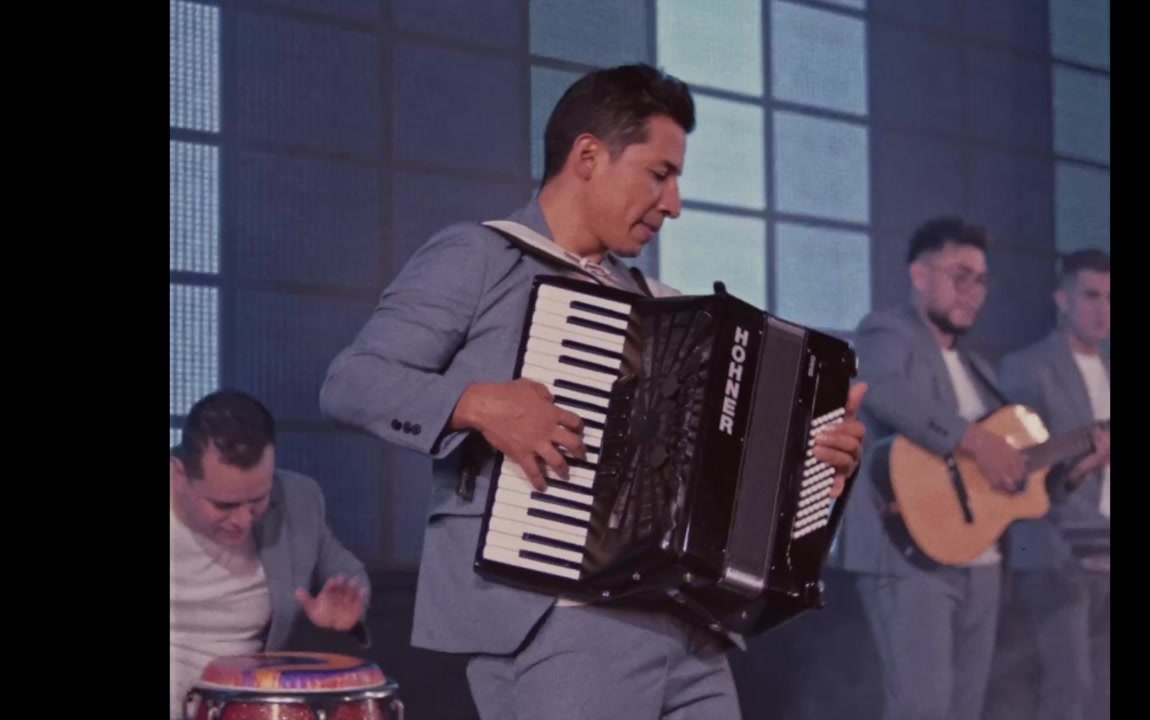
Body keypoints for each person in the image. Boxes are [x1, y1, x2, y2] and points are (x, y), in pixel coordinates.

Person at [318, 62, 868, 720]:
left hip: (688, 628)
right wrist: (479, 405)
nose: (674, 204)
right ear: (588, 156)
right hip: (556, 618)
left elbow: (717, 476)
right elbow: (352, 382)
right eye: (659, 174)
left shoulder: (662, 307)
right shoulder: (480, 256)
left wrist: (808, 469)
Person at [839, 217, 1024, 720]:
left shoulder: (981, 369)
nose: (973, 292)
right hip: (909, 557)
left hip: (982, 563)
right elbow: (882, 389)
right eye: (960, 276)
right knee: (921, 709)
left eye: (981, 280)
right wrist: (975, 440)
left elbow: (1009, 465)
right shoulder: (887, 331)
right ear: (919, 275)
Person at [170, 389, 372, 719]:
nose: (243, 520)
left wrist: (346, 606)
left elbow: (347, 571)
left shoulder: (298, 500)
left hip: (246, 705)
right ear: (179, 476)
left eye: (257, 500)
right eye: (224, 505)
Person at [998, 248, 1110, 720]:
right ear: (1063, 299)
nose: (1103, 310)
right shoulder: (1027, 368)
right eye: (1091, 296)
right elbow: (1013, 471)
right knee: (1068, 687)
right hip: (1053, 550)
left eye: (1111, 298)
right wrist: (1084, 466)